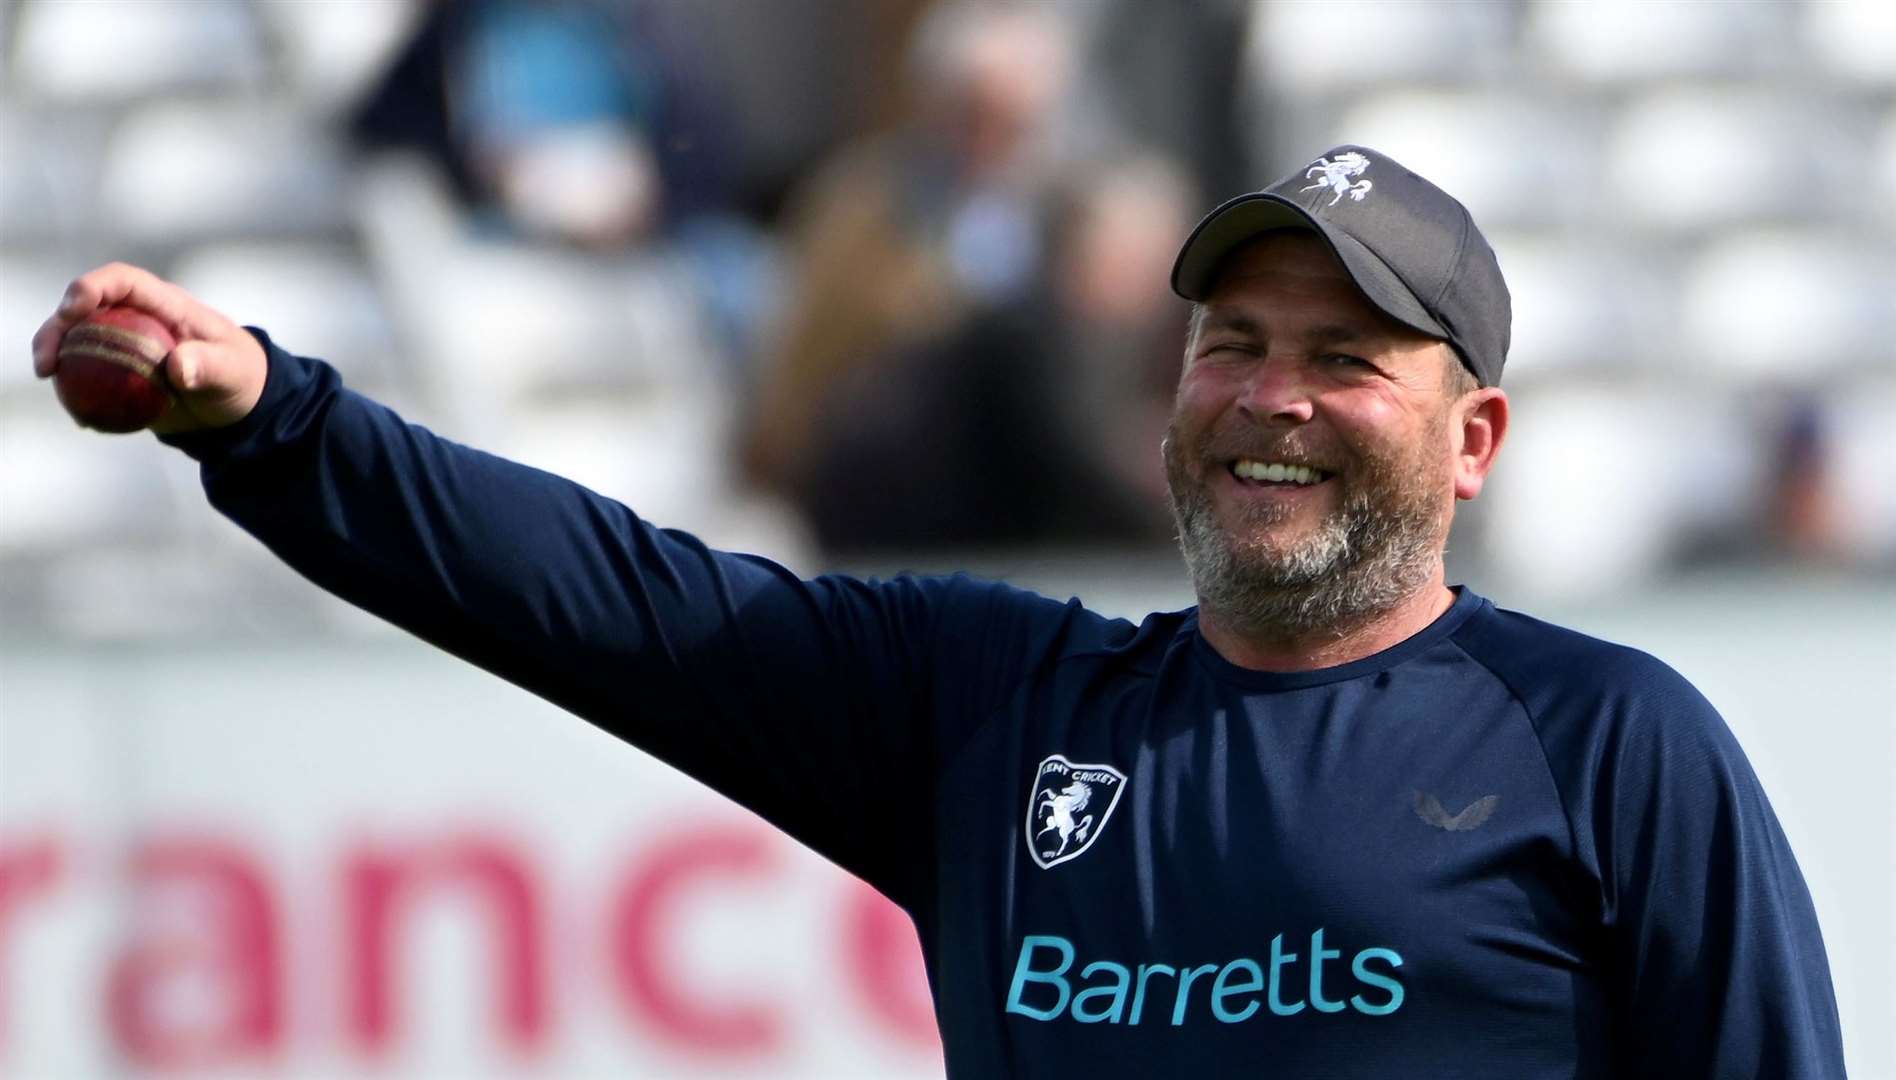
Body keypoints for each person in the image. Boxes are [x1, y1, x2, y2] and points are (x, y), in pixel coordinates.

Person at [32, 145, 1844, 1077]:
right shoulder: (996, 710)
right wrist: (275, 417)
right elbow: (607, 605)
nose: (1270, 397)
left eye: (1347, 359)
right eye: (1233, 346)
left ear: (1477, 439)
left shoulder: (1613, 742)